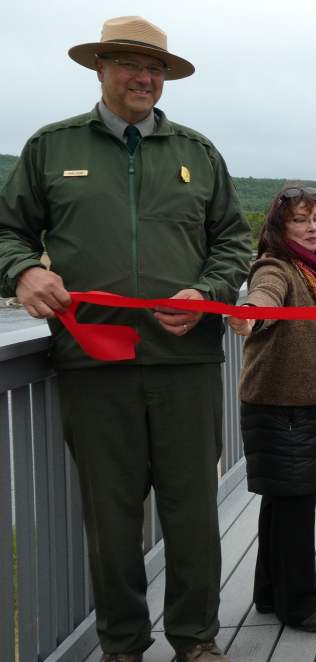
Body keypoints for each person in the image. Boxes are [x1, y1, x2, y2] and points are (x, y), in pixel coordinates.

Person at [0, 16, 250, 662]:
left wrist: (207, 292)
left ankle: (195, 640)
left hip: (187, 363)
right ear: (100, 69)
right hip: (92, 363)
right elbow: (8, 230)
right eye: (129, 65)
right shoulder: (50, 149)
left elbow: (233, 242)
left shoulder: (197, 153)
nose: (144, 78)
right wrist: (23, 270)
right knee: (111, 521)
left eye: (156, 69)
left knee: (192, 512)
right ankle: (122, 646)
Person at [227, 186, 316, 633]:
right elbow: (264, 295)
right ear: (280, 227)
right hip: (281, 404)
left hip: (304, 401)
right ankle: (299, 602)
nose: (313, 228)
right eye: (301, 220)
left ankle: (270, 590)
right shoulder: (277, 266)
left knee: (282, 502)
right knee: (295, 505)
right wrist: (250, 311)